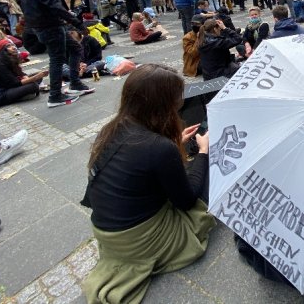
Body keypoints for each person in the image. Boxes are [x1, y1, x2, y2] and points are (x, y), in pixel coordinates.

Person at [81, 64, 215, 303]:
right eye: (177, 97)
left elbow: (139, 165)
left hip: (108, 235)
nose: (180, 101)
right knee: (210, 178)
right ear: (163, 103)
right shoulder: (158, 147)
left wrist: (175, 145)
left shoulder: (113, 129)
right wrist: (203, 152)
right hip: (139, 241)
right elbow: (186, 201)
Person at [18, 0, 93, 107]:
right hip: (49, 24)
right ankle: (55, 95)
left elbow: (23, 1)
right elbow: (50, 2)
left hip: (40, 23)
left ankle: (75, 83)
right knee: (57, 59)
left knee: (74, 48)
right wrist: (77, 22)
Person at [0, 39, 46, 109]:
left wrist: (28, 77)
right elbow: (15, 83)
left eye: (12, 45)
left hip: (7, 86)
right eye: (8, 46)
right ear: (1, 50)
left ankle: (24, 94)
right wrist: (34, 78)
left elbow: (20, 74)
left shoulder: (9, 60)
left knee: (37, 77)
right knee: (33, 86)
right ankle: (21, 95)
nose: (13, 47)